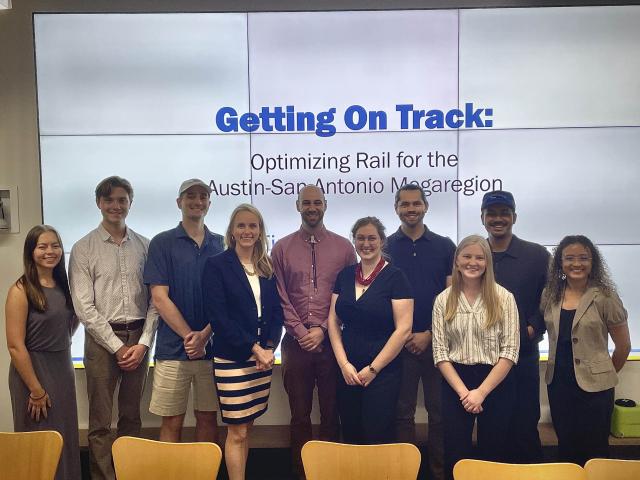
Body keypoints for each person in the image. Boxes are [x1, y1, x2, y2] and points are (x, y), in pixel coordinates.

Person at [69, 176, 157, 480]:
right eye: (109, 200)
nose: (115, 206)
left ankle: (131, 474)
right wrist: (118, 347)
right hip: (101, 342)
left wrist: (143, 343)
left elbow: (155, 301)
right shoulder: (83, 249)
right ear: (98, 203)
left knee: (132, 418)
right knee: (100, 422)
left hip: (139, 339)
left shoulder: (146, 246)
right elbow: (84, 308)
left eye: (122, 200)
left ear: (130, 203)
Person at [271, 185, 356, 477]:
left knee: (332, 413)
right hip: (295, 345)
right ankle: (301, 472)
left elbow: (349, 295)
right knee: (299, 416)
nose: (312, 207)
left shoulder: (345, 248)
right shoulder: (281, 247)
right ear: (297, 206)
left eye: (317, 202)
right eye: (306, 203)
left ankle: (331, 471)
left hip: (333, 343)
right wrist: (298, 330)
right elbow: (279, 294)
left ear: (325, 205)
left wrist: (322, 329)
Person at [202, 204, 283, 480]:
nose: (247, 231)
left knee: (247, 428)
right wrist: (255, 349)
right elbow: (219, 318)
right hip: (233, 358)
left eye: (253, 226)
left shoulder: (266, 267)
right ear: (232, 231)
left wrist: (270, 348)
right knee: (236, 430)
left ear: (260, 231)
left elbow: (276, 314)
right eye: (242, 225)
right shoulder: (216, 265)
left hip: (262, 361)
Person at [432, 235, 519, 480]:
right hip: (456, 383)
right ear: (457, 261)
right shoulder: (443, 300)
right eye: (467, 256)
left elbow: (510, 352)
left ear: (487, 262)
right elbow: (440, 353)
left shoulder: (504, 298)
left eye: (480, 257)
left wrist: (480, 392)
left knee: (493, 454)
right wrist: (464, 393)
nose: (473, 262)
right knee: (456, 456)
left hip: (495, 383)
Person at [144, 178, 223, 442]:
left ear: (209, 204)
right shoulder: (162, 243)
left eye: (203, 196)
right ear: (179, 202)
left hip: (213, 350)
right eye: (190, 196)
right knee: (171, 420)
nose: (197, 201)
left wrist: (205, 337)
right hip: (172, 349)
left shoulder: (222, 245)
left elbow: (227, 299)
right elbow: (159, 297)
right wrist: (192, 337)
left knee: (208, 418)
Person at [542, 235, 631, 466]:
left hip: (596, 389)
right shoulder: (550, 295)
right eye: (569, 258)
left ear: (593, 262)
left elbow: (623, 347)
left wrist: (603, 374)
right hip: (559, 384)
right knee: (567, 445)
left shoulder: (605, 296)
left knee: (595, 449)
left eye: (583, 258)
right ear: (561, 263)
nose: (576, 263)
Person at [387, 184, 455, 480]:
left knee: (439, 414)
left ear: (425, 206)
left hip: (438, 343)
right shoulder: (386, 247)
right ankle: (406, 473)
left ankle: (439, 473)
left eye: (416, 204)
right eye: (405, 204)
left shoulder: (445, 246)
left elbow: (452, 297)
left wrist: (429, 332)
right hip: (398, 346)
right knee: (402, 414)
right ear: (397, 208)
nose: (411, 209)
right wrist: (404, 336)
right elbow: (382, 296)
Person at [6, 225, 81, 480]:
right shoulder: (20, 290)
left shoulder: (64, 286)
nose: (50, 251)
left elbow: (69, 324)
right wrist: (36, 390)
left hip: (62, 369)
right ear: (31, 251)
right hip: (32, 374)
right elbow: (15, 347)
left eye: (55, 245)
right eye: (42, 246)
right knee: (38, 441)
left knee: (65, 437)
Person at [328, 216, 412, 444]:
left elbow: (403, 330)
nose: (366, 244)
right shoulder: (345, 275)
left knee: (377, 434)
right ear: (353, 241)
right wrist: (344, 364)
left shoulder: (396, 277)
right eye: (360, 238)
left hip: (382, 371)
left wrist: (373, 369)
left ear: (382, 240)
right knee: (351, 432)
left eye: (372, 238)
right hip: (348, 370)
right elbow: (333, 322)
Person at [480, 190, 550, 463]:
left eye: (504, 213)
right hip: (484, 357)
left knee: (524, 425)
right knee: (490, 427)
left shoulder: (537, 255)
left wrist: (532, 328)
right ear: (483, 218)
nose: (498, 219)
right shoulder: (475, 254)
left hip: (524, 355)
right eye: (492, 214)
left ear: (514, 217)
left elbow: (551, 298)